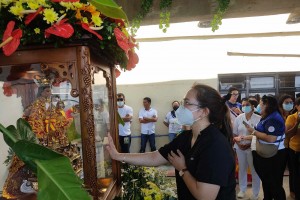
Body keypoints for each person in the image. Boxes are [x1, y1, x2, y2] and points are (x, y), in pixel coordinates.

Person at [106, 83, 236, 200]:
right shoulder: (185, 137)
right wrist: (118, 155)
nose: (181, 107)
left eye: (187, 102)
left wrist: (183, 169)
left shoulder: (215, 145)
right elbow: (154, 157)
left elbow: (205, 196)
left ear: (203, 112)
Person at [246, 95, 287, 200]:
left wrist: (253, 131)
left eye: (260, 103)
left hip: (275, 155)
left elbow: (271, 139)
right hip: (266, 153)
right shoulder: (268, 116)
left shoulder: (274, 118)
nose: (258, 106)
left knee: (274, 184)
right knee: (267, 181)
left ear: (266, 104)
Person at [233, 98, 261, 200]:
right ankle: (242, 190)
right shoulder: (239, 118)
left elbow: (259, 135)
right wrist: (239, 144)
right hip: (240, 147)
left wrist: (248, 145)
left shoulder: (258, 118)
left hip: (252, 148)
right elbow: (234, 134)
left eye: (247, 105)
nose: (244, 107)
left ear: (253, 106)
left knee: (254, 170)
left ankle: (255, 193)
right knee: (242, 169)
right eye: (243, 105)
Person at [278, 94, 295, 199]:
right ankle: (278, 192)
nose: (289, 104)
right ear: (281, 104)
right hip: (280, 148)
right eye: (286, 102)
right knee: (279, 171)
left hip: (291, 147)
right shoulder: (278, 116)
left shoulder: (294, 114)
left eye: (291, 102)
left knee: (293, 170)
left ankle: (293, 190)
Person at [285, 97, 300, 200]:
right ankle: (295, 192)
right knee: (295, 173)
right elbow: (288, 134)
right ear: (297, 106)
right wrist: (297, 122)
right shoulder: (292, 117)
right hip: (295, 149)